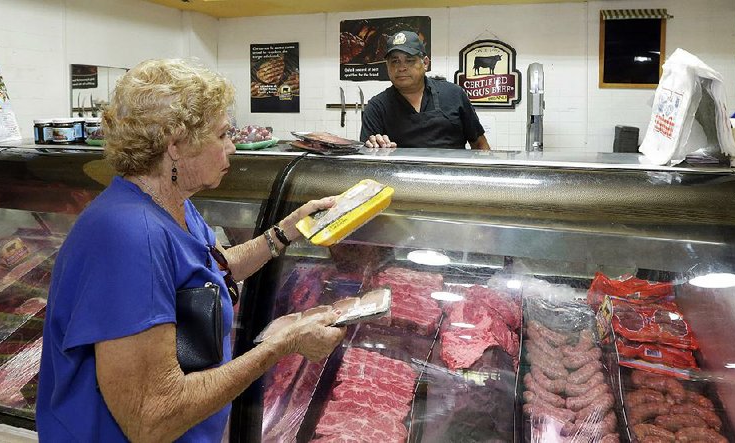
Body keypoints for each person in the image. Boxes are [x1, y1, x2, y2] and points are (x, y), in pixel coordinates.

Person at [36, 58, 346, 442]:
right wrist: (283, 344)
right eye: (221, 135)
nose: (232, 146)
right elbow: (151, 418)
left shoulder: (172, 204)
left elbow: (217, 267)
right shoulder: (130, 236)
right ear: (176, 145)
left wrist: (289, 228)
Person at [361, 30, 490, 151]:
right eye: (395, 61)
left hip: (452, 173)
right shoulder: (376, 107)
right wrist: (374, 146)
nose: (401, 68)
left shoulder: (454, 94)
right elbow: (367, 159)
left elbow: (480, 144)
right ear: (387, 66)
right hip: (401, 174)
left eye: (409, 60)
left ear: (425, 63)